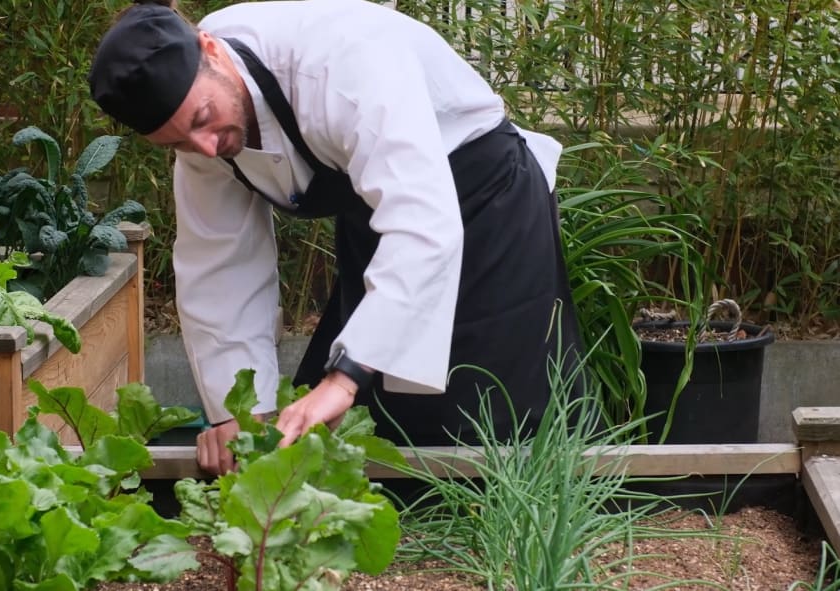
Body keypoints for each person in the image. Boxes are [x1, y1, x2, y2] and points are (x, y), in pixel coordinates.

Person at [89, 0, 584, 475]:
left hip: (485, 205)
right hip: (379, 223)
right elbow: (218, 268)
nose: (203, 148)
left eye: (201, 120)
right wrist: (239, 413)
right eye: (176, 143)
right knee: (367, 434)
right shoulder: (200, 123)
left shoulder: (340, 62)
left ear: (211, 50)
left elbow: (422, 223)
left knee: (491, 423)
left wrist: (345, 379)